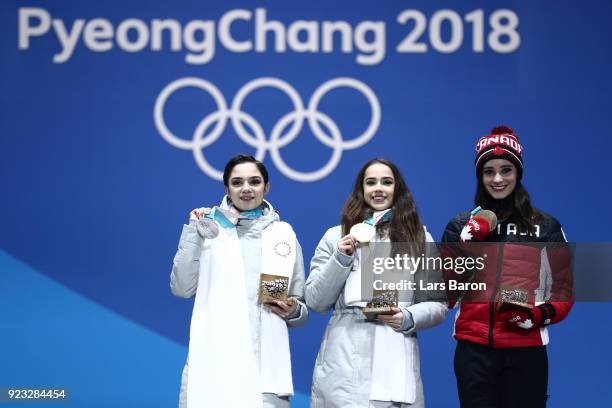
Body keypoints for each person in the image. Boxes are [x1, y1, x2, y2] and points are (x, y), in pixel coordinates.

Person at [441, 126, 574, 407]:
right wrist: (468, 246)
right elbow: (446, 296)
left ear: (518, 173)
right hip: (473, 352)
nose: (498, 179)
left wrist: (538, 316)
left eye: (506, 170)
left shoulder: (546, 227)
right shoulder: (459, 226)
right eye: (489, 171)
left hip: (527, 352)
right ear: (480, 176)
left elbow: (564, 290)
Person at [306, 158, 447, 408]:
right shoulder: (335, 237)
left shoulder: (419, 238)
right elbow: (316, 301)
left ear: (398, 189)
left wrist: (407, 316)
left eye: (387, 182)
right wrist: (341, 257)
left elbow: (437, 305)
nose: (378, 188)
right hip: (343, 360)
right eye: (370, 182)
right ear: (361, 190)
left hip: (395, 355)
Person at [170, 154, 308, 408]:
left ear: (266, 187)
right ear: (226, 188)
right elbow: (181, 288)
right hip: (213, 368)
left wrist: (293, 310)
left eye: (254, 182)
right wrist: (193, 233)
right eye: (237, 182)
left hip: (265, 373)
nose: (246, 189)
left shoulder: (283, 235)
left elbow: (300, 307)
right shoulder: (207, 229)